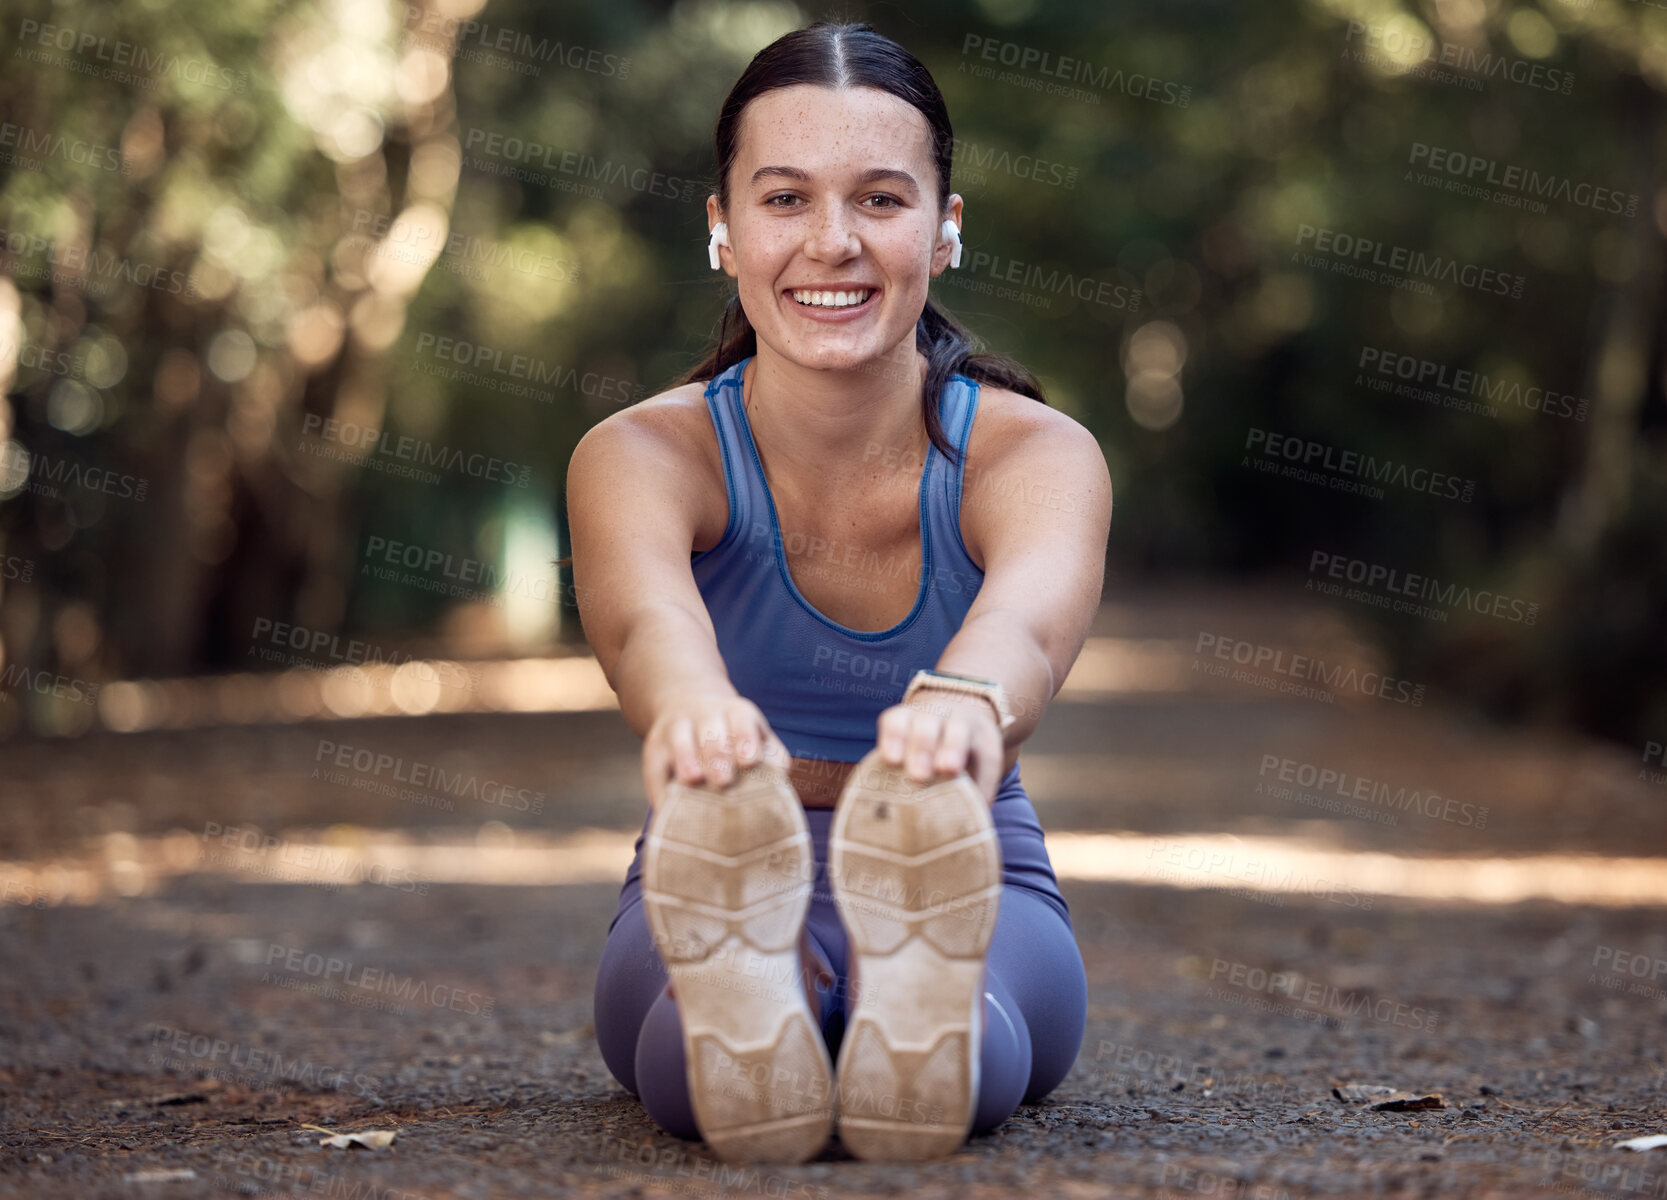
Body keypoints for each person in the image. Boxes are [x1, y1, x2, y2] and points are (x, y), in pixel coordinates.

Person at [566, 20, 1111, 1165]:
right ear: (720, 229)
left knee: (970, 1054)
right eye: (783, 201)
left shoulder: (1033, 456)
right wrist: (692, 716)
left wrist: (964, 705)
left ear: (944, 228)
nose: (832, 243)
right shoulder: (643, 454)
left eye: (878, 200)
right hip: (717, 847)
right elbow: (644, 623)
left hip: (964, 861)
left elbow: (1028, 619)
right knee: (686, 1069)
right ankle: (761, 981)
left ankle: (904, 995)